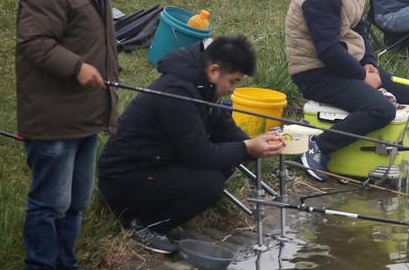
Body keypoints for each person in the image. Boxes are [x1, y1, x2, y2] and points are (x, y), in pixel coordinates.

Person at [15, 0, 119, 270]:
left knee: (75, 201)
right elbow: (33, 43)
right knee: (50, 202)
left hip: (85, 117)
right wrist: (76, 68)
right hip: (54, 118)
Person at [97, 37, 285, 255]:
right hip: (124, 179)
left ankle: (165, 220)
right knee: (210, 184)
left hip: (157, 167)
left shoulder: (204, 87)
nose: (232, 89)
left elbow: (226, 132)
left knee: (227, 160)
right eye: (233, 81)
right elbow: (199, 154)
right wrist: (247, 148)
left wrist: (259, 145)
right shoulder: (176, 91)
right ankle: (147, 226)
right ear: (214, 71)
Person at [285, 0, 409, 180]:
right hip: (316, 73)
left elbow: (360, 29)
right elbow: (326, 50)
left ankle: (391, 150)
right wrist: (361, 76)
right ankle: (319, 147)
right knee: (381, 110)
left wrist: (369, 63)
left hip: (346, 65)